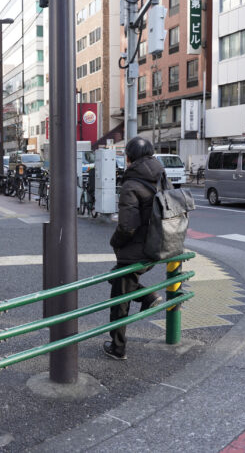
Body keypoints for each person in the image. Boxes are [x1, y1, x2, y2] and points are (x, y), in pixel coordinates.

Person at [104, 136, 165, 360]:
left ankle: (118, 348)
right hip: (158, 245)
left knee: (119, 299)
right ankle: (147, 297)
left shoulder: (131, 185)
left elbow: (126, 227)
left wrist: (114, 242)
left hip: (135, 251)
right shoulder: (161, 176)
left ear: (129, 158)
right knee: (116, 279)